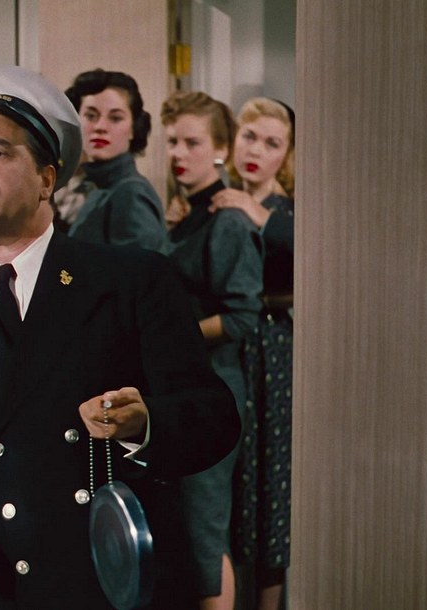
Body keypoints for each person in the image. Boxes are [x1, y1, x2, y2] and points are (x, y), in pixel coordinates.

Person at [0, 64, 240, 609]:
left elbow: (215, 418)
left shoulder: (132, 280)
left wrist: (144, 422)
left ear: (47, 179)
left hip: (120, 586)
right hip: (14, 591)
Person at [160, 90, 264, 610]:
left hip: (215, 389)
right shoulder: (188, 215)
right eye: (172, 141)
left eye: (192, 143)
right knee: (186, 534)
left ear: (221, 149)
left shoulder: (229, 220)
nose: (179, 153)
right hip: (184, 390)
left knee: (205, 534)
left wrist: (172, 337)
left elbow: (243, 317)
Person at [210, 97, 295, 610]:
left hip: (273, 355)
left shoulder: (287, 210)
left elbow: (311, 266)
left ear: (286, 155)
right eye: (249, 137)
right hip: (228, 352)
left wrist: (254, 211)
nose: (256, 151)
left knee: (270, 482)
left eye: (271, 143)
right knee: (232, 479)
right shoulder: (215, 199)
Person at [63, 69, 167, 252]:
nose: (100, 127)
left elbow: (141, 268)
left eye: (115, 118)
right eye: (91, 116)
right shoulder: (99, 187)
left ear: (134, 128)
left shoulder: (130, 194)